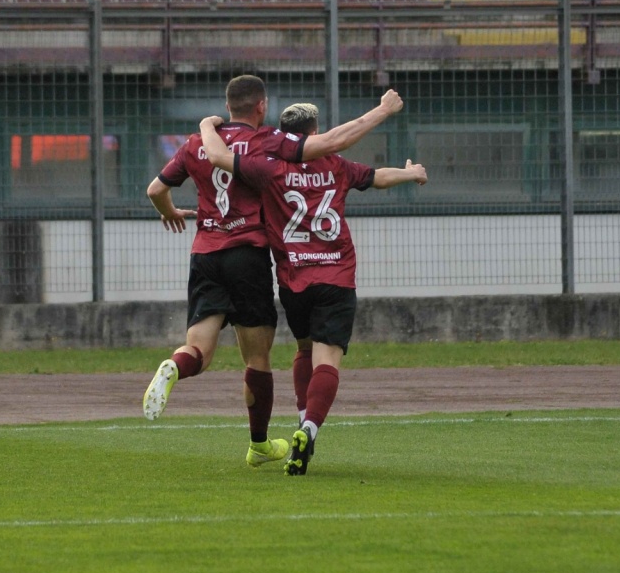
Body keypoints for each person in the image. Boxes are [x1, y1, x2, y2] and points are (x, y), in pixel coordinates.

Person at [143, 75, 405, 472]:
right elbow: (341, 150)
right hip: (251, 257)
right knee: (259, 360)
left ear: (227, 104)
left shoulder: (199, 142)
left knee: (198, 348)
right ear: (262, 107)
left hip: (208, 255)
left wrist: (170, 212)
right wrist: (385, 113)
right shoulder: (271, 146)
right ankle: (263, 442)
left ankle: (175, 366)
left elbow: (155, 190)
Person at [199, 102, 427, 475]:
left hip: (294, 280)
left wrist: (208, 125)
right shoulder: (335, 165)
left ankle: (304, 418)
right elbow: (376, 177)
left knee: (304, 349)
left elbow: (220, 159)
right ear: (316, 131)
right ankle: (309, 428)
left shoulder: (268, 169)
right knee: (329, 358)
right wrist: (410, 173)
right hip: (335, 276)